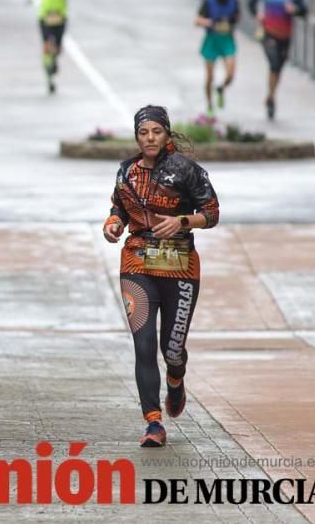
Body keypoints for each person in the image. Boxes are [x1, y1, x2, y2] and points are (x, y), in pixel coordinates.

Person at [102, 105, 220, 448]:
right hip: (137, 264)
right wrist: (113, 225)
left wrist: (182, 221)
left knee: (172, 348)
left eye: (156, 131)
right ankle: (153, 423)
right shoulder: (127, 170)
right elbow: (119, 208)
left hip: (180, 268)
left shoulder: (186, 171)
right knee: (143, 345)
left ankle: (176, 376)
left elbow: (211, 213)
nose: (150, 138)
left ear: (166, 133)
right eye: (143, 133)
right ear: (137, 137)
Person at [247, 0, 308, 120]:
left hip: (285, 35)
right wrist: (257, 14)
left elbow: (304, 11)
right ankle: (272, 100)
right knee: (274, 64)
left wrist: (295, 9)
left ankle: (271, 96)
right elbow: (251, 2)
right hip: (268, 33)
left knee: (278, 67)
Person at [29, 0, 73, 94]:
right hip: (45, 14)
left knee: (58, 48)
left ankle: (54, 59)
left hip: (60, 14)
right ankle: (49, 75)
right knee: (47, 44)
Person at [195, 0, 240, 114]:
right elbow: (197, 20)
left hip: (227, 39)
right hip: (212, 40)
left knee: (231, 73)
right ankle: (209, 104)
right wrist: (209, 22)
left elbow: (237, 17)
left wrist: (229, 23)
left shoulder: (233, 0)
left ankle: (221, 88)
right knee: (210, 76)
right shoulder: (209, 1)